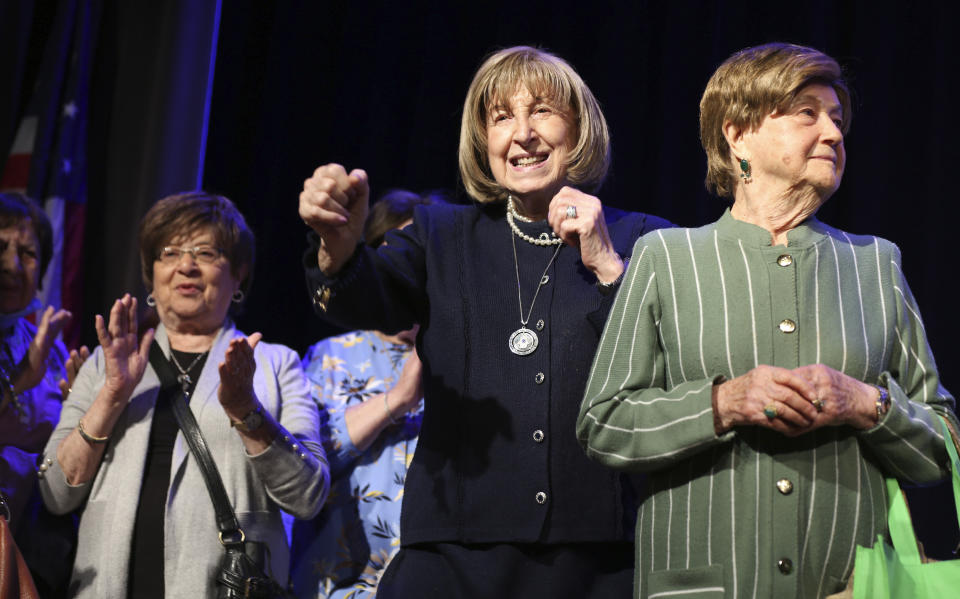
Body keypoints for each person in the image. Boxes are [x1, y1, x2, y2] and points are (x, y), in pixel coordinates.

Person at [577, 42, 958, 599]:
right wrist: (723, 403)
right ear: (737, 133)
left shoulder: (875, 263)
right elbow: (603, 424)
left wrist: (865, 404)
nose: (832, 134)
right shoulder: (668, 257)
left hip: (854, 586)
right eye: (807, 113)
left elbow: (943, 443)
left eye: (837, 120)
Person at [299, 46, 672, 597]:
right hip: (452, 556)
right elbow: (363, 300)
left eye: (542, 111)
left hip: (598, 558)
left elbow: (672, 363)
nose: (522, 134)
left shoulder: (644, 238)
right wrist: (337, 244)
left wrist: (608, 267)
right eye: (501, 118)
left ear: (580, 128)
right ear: (484, 143)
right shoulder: (439, 234)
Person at [39, 191, 330, 598]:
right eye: (169, 252)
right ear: (151, 277)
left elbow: (309, 494)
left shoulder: (276, 364)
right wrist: (112, 394)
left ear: (239, 274)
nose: (187, 266)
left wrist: (247, 411)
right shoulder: (108, 364)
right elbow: (55, 492)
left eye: (207, 252)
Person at [290, 189, 444, 598]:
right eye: (397, 254)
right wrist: (397, 400)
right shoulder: (331, 358)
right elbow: (300, 467)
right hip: (341, 585)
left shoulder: (466, 357)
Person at [0, 192, 86, 596]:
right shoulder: (37, 357)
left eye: (29, 253)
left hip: (26, 553)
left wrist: (78, 406)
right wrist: (22, 377)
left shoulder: (46, 345)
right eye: (1, 247)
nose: (12, 265)